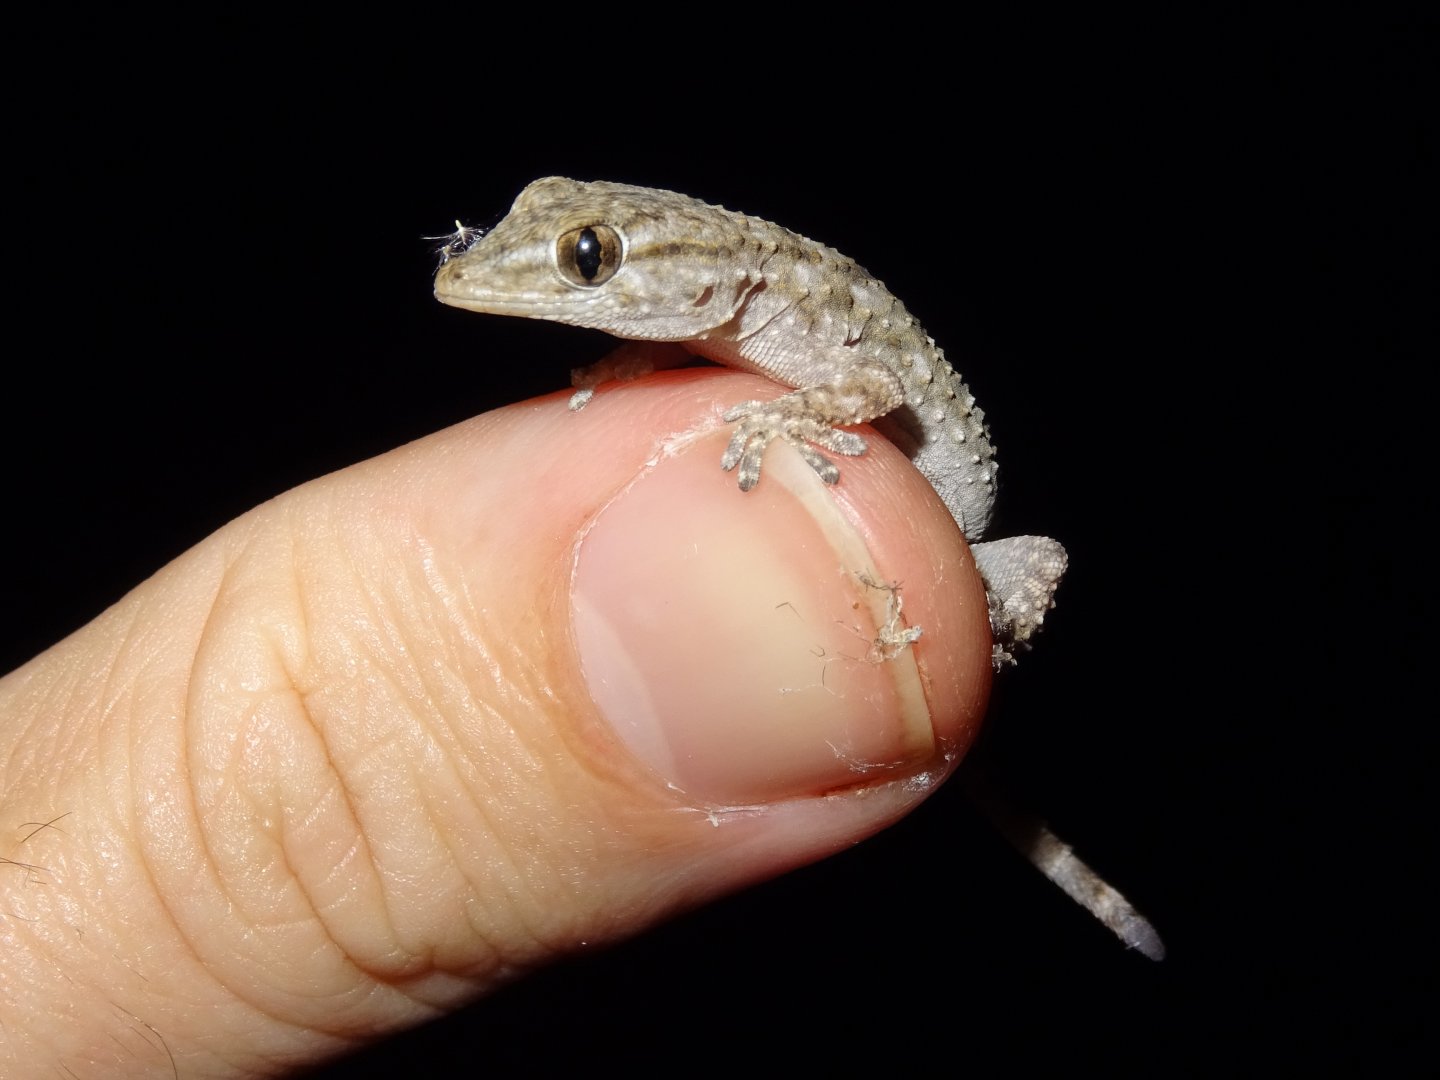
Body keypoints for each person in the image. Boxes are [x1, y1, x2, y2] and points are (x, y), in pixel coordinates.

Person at [0, 371, 990, 1077]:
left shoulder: (802, 313)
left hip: (971, 550)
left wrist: (778, 417)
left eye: (589, 261)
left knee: (1031, 569)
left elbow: (874, 384)